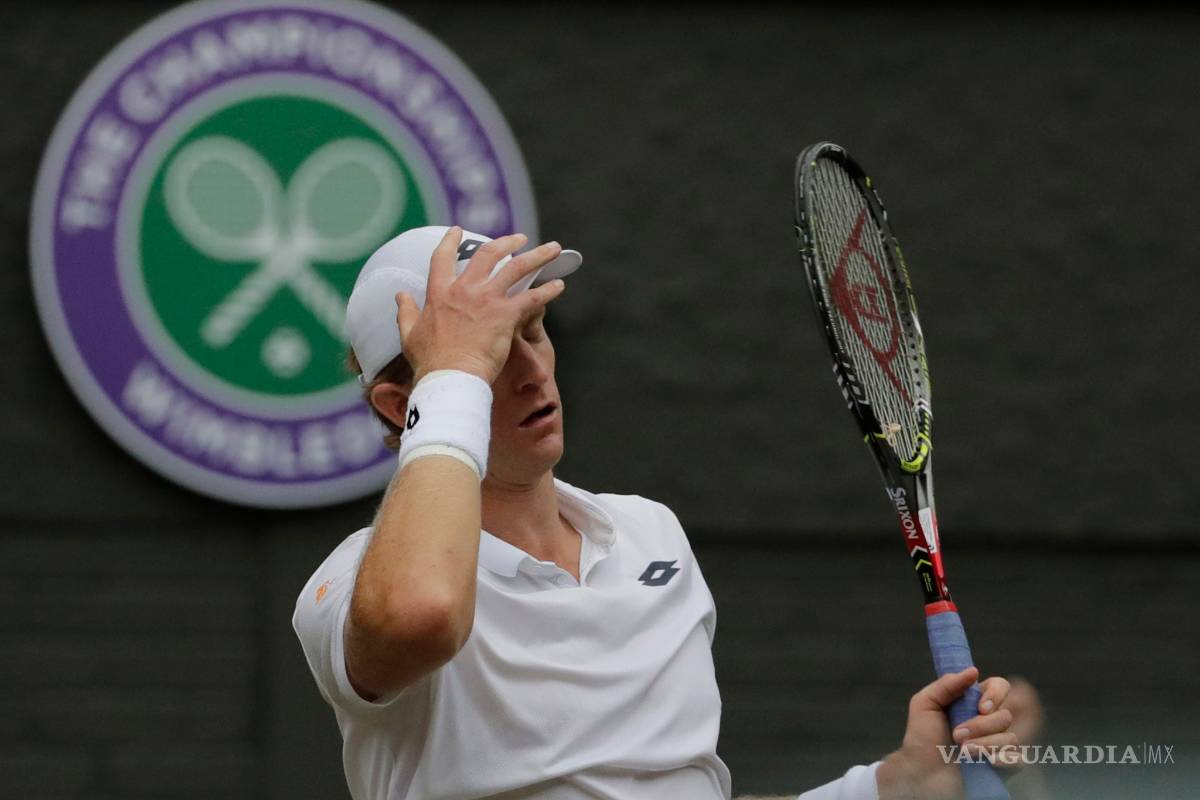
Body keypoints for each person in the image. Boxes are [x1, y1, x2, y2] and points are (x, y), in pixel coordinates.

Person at [293, 226, 1021, 800]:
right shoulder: (353, 585)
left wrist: (893, 783)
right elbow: (421, 613)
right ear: (404, 404)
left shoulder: (651, 533)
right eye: (494, 351)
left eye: (534, 330)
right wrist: (455, 377)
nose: (534, 371)